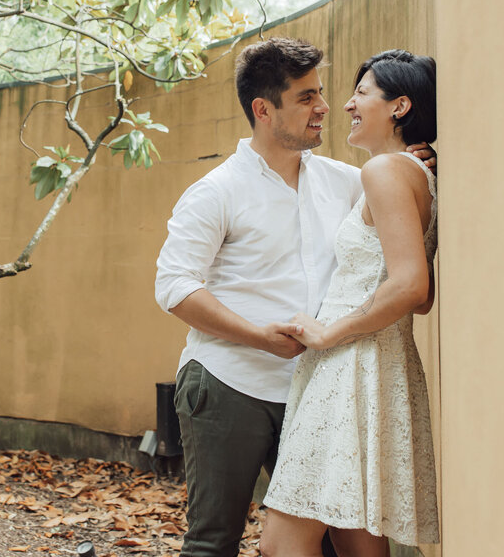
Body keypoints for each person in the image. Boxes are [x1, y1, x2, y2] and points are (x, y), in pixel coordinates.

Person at [154, 38, 434, 557]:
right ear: (264, 110)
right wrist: (258, 336)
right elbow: (174, 285)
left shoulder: (349, 181)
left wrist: (411, 160)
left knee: (325, 541)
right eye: (306, 98)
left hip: (322, 387)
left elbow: (396, 213)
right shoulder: (217, 190)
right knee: (213, 542)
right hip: (231, 382)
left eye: (321, 93)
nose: (324, 106)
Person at [259, 49, 440, 557]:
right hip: (377, 364)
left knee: (281, 544)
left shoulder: (385, 171)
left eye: (362, 93)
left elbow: (412, 288)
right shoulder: (416, 172)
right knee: (354, 542)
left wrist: (327, 333)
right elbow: (420, 297)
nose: (347, 105)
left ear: (400, 106)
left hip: (351, 368)